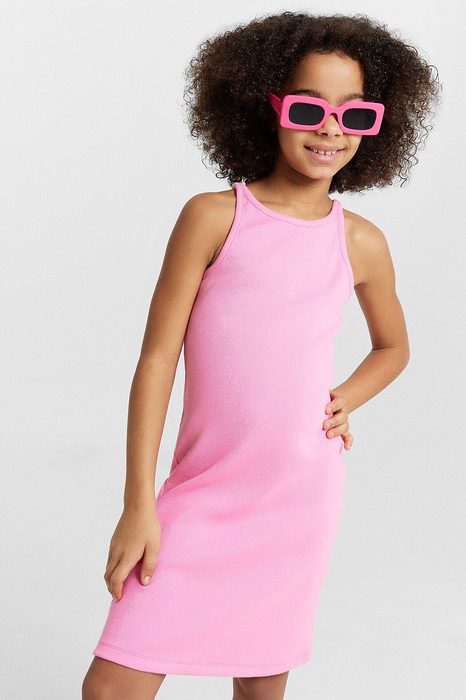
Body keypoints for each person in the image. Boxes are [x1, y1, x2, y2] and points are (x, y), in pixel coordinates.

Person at [82, 11, 441, 700]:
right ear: (266, 106)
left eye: (354, 115)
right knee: (112, 687)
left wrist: (344, 399)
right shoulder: (213, 217)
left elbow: (394, 347)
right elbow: (157, 361)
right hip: (203, 490)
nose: (330, 129)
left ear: (376, 125)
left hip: (298, 497)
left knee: (260, 685)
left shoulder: (360, 242)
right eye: (309, 108)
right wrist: (138, 503)